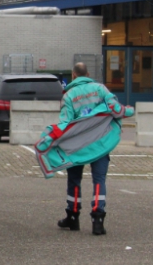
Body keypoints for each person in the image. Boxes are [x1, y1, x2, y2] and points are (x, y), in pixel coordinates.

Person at [34, 62, 134, 235]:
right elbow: (116, 110)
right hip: (100, 144)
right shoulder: (101, 89)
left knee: (74, 180)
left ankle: (73, 217)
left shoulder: (69, 96)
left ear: (73, 75)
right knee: (99, 180)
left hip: (77, 147)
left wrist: (50, 139)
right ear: (87, 74)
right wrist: (129, 111)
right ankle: (98, 220)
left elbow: (65, 124)